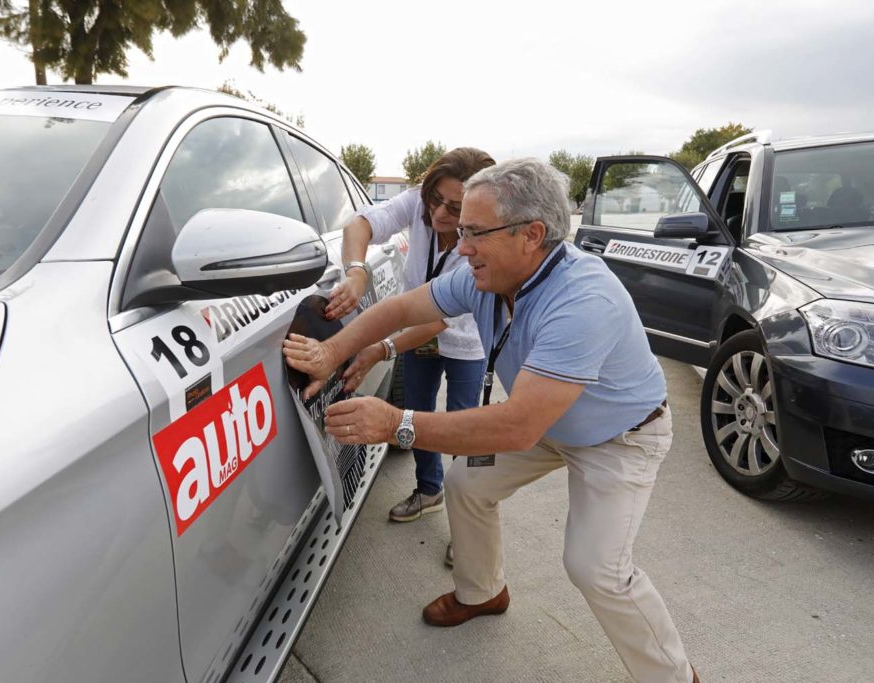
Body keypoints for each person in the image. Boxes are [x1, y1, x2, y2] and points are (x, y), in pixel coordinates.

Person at [284, 158, 699, 683]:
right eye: (460, 232)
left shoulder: (583, 300)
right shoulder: (485, 276)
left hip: (618, 438)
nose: (460, 248)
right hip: (547, 421)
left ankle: (675, 676)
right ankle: (483, 593)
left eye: (475, 233)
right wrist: (332, 352)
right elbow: (401, 309)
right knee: (466, 482)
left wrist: (396, 423)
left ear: (532, 234)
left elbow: (516, 427)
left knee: (597, 569)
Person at [328, 147, 494, 527]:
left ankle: (470, 520)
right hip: (420, 339)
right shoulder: (418, 207)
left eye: (454, 209)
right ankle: (429, 490)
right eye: (435, 199)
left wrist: (381, 349)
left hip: (466, 343)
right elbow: (360, 225)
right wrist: (356, 270)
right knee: (415, 414)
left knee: (464, 427)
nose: (438, 214)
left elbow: (439, 321)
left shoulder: (481, 245)